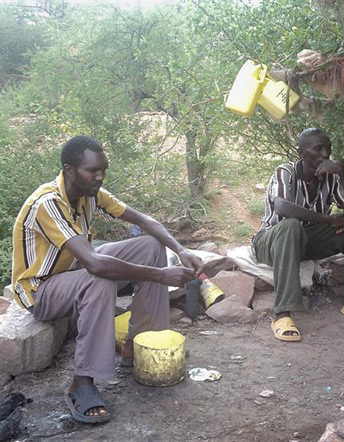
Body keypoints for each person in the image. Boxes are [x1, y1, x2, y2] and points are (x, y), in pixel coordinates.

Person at [11, 135, 203, 423]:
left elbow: (145, 221)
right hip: (42, 290)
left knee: (150, 246)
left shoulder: (90, 193)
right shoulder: (48, 203)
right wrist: (163, 275)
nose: (100, 177)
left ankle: (140, 345)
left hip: (74, 270)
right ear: (69, 170)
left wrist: (181, 249)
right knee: (97, 278)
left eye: (103, 170)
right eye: (93, 171)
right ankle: (82, 381)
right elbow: (94, 264)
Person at [253, 128, 344, 342]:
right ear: (301, 153)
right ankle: (282, 314)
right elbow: (282, 208)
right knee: (291, 225)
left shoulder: (329, 178)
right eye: (318, 148)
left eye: (328, 149)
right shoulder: (285, 172)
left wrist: (342, 172)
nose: (325, 154)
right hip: (270, 241)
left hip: (306, 240)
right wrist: (328, 219)